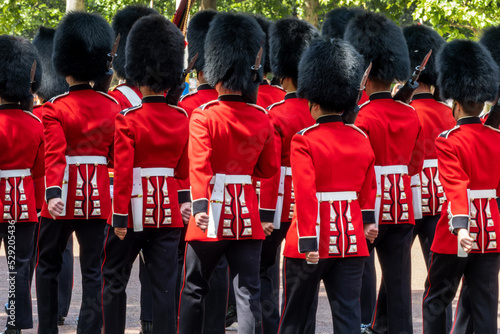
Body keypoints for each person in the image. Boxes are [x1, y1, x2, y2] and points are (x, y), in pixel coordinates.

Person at [178, 12, 279, 334]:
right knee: (248, 290)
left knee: (194, 287)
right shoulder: (261, 117)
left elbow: (199, 165)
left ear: (216, 71)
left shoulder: (204, 116)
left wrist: (200, 208)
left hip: (209, 210)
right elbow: (269, 169)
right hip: (246, 214)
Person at [278, 37, 377, 334]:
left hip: (313, 241)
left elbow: (306, 194)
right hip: (351, 240)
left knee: (295, 318)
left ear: (314, 102)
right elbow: (368, 187)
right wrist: (369, 222)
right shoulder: (360, 137)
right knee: (347, 317)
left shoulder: (305, 139)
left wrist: (308, 240)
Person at [101, 14, 187, 334]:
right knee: (165, 287)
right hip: (168, 213)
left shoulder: (129, 119)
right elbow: (182, 170)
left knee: (113, 279)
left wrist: (120, 217)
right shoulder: (181, 118)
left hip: (133, 211)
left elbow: (123, 172)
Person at [35, 12, 121, 334]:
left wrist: (54, 193)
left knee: (47, 266)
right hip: (98, 200)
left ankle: (47, 328)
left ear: (64, 64)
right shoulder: (112, 107)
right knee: (94, 271)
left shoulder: (55, 108)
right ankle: (89, 329)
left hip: (61, 200)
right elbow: (114, 156)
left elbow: (54, 154)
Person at [345, 11, 424, 334]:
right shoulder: (410, 113)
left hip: (369, 203)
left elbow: (356, 164)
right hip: (402, 202)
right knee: (399, 279)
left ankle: (365, 325)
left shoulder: (362, 116)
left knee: (363, 271)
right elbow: (416, 165)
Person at [422, 39, 500, 334]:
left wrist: (462, 226)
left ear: (455, 104)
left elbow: (456, 184)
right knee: (485, 304)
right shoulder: (496, 138)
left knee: (436, 299)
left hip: (454, 232)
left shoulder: (449, 139)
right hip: (491, 230)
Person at [258, 17, 318, 334]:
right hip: (311, 198)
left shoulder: (277, 113)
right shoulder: (318, 111)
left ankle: (269, 327)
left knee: (266, 269)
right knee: (305, 270)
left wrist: (266, 211)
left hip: (278, 198)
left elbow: (269, 168)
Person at [107, 7, 160, 333]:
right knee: (157, 270)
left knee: (114, 271)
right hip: (160, 196)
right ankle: (150, 322)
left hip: (121, 194)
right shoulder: (170, 104)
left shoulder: (114, 101)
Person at [0, 34, 43, 334]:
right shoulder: (35, 124)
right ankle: (15, 324)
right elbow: (39, 172)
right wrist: (38, 207)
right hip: (22, 206)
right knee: (18, 267)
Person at [31, 26, 73, 327]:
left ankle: (48, 310)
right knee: (65, 250)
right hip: (75, 189)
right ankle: (59, 307)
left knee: (43, 254)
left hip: (46, 192)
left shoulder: (42, 113)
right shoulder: (64, 108)